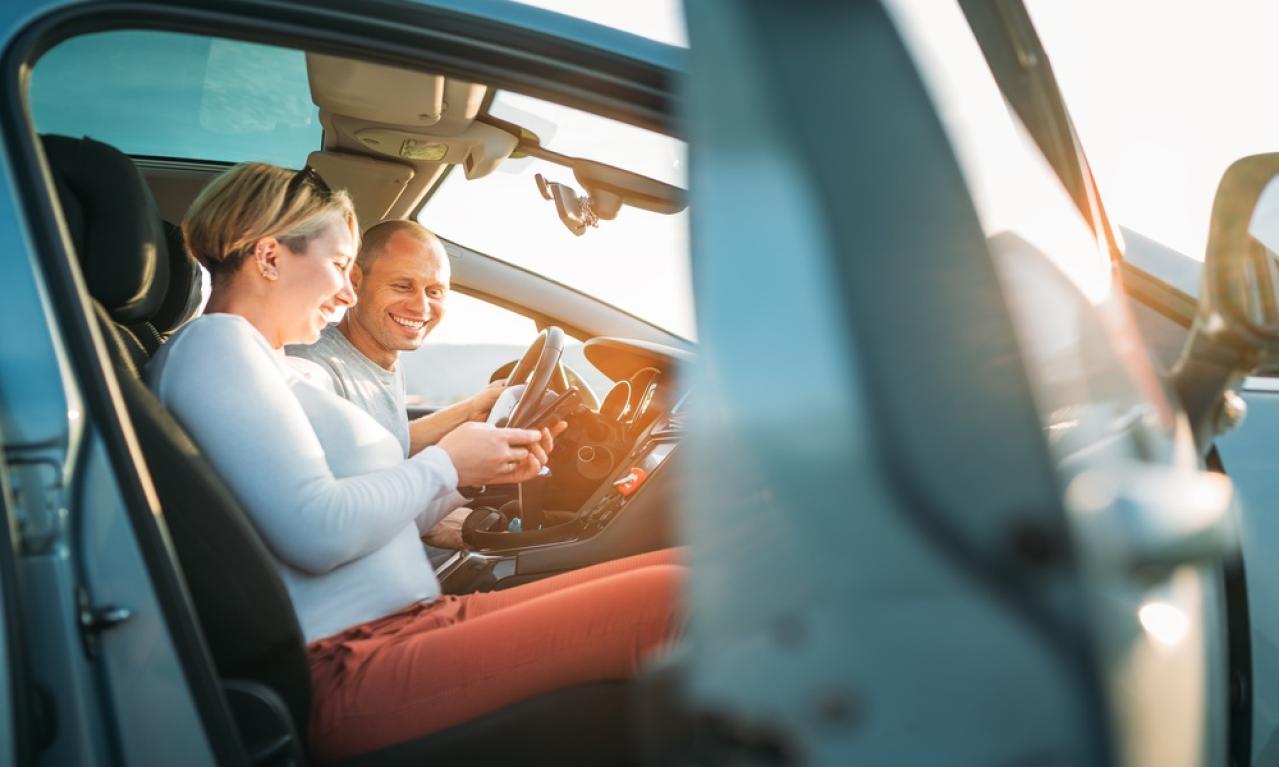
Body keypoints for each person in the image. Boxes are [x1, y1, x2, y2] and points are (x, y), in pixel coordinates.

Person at [145, 163, 682, 762]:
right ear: (269, 257)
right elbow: (315, 529)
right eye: (339, 265)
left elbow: (372, 504)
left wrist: (483, 471)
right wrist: (447, 465)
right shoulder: (216, 346)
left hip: (418, 622)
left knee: (693, 569)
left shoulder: (277, 366)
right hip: (355, 663)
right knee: (676, 601)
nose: (348, 292)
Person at [286, 220, 495, 554]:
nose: (421, 307)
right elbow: (342, 522)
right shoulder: (313, 370)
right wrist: (455, 476)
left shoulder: (380, 359)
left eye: (434, 291)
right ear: (355, 281)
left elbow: (387, 443)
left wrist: (471, 411)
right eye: (402, 286)